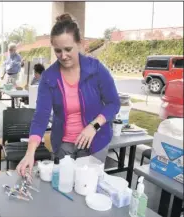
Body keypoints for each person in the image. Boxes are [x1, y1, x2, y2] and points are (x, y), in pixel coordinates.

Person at [16, 14, 121, 176]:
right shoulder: (49, 77)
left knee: (88, 187)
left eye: (68, 49)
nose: (63, 56)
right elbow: (41, 116)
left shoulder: (96, 69)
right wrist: (30, 153)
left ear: (79, 44)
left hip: (96, 141)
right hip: (64, 144)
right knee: (64, 187)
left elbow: (114, 103)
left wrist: (94, 126)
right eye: (58, 50)